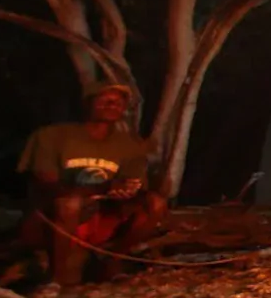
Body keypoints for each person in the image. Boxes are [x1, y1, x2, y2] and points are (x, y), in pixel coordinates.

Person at [15, 82, 166, 285]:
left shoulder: (129, 144)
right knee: (69, 204)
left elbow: (134, 184)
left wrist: (127, 191)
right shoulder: (52, 136)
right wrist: (102, 188)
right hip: (51, 220)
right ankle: (55, 280)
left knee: (155, 203)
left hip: (101, 216)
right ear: (88, 103)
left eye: (119, 102)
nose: (112, 105)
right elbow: (46, 184)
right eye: (105, 100)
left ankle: (112, 262)